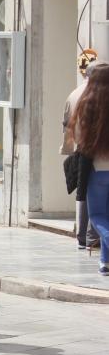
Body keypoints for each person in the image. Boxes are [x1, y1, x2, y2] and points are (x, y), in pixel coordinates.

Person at [71, 63, 109, 275]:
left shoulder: (87, 104)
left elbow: (79, 139)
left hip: (97, 169)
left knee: (97, 215)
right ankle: (105, 262)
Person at [62, 55, 103, 250]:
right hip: (99, 151)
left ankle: (83, 236)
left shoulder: (74, 94)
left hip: (81, 149)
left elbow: (66, 125)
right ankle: (93, 236)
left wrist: (68, 149)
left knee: (83, 192)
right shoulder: (99, 94)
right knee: (95, 194)